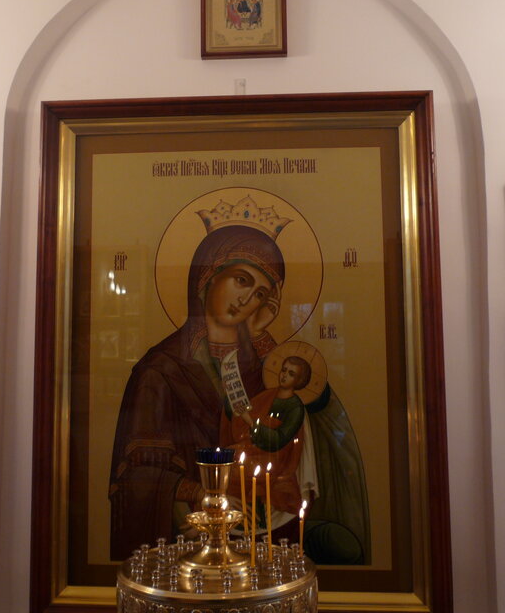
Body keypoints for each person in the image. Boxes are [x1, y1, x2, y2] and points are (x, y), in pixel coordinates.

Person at [109, 204, 371, 564]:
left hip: (271, 519)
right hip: (199, 526)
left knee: (339, 546)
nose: (247, 300)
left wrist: (259, 337)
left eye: (261, 293)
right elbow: (138, 472)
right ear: (208, 276)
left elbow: (303, 413)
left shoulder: (267, 364)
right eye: (242, 280)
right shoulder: (160, 370)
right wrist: (202, 496)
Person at [224, 355, 310, 516]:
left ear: (299, 380)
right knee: (225, 458)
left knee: (232, 470)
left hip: (275, 457)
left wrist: (249, 421)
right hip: (252, 448)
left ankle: (249, 514)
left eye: (291, 374)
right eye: (284, 370)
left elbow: (278, 440)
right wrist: (236, 408)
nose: (284, 375)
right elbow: (244, 417)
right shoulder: (269, 395)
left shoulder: (295, 408)